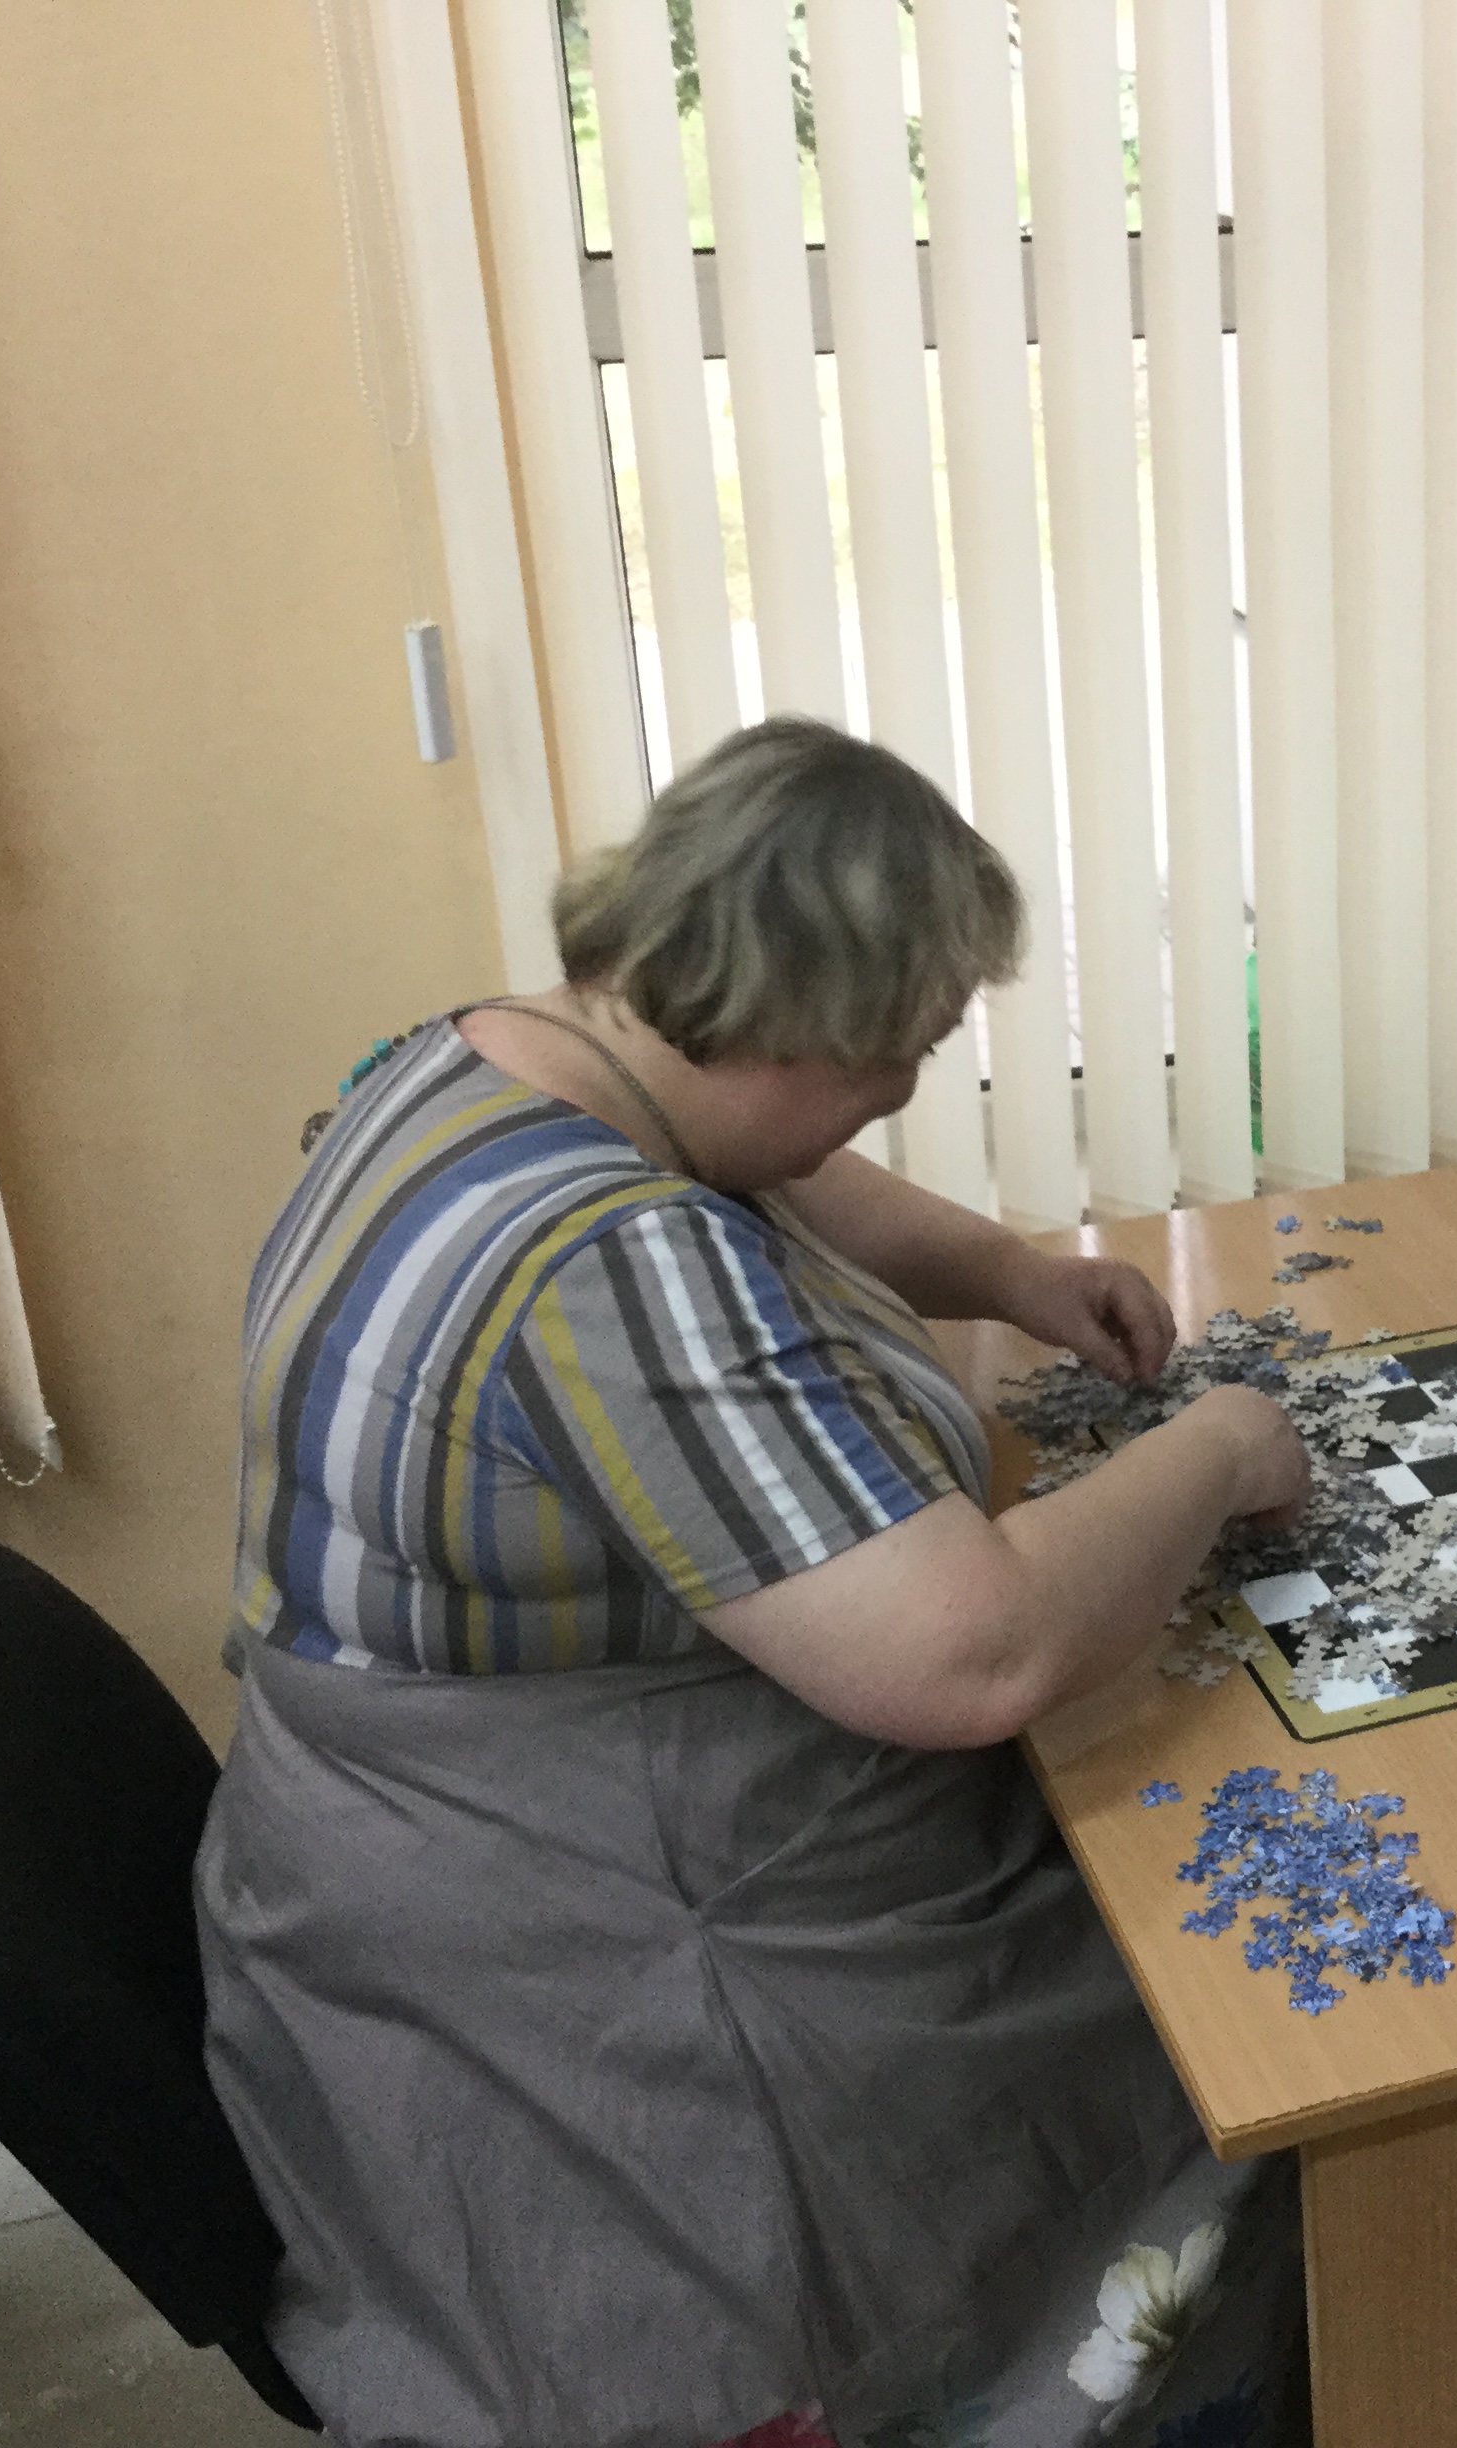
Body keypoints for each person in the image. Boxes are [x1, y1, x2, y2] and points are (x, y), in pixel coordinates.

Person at [197, 717, 1313, 2448]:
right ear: (794, 1027)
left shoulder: (485, 1057)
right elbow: (973, 1652)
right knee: (1242, 2036)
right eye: (905, 1046)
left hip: (375, 1869)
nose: (906, 1089)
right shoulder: (607, 1260)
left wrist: (1009, 1272)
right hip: (577, 1980)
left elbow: (778, 1162)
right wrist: (1225, 1446)